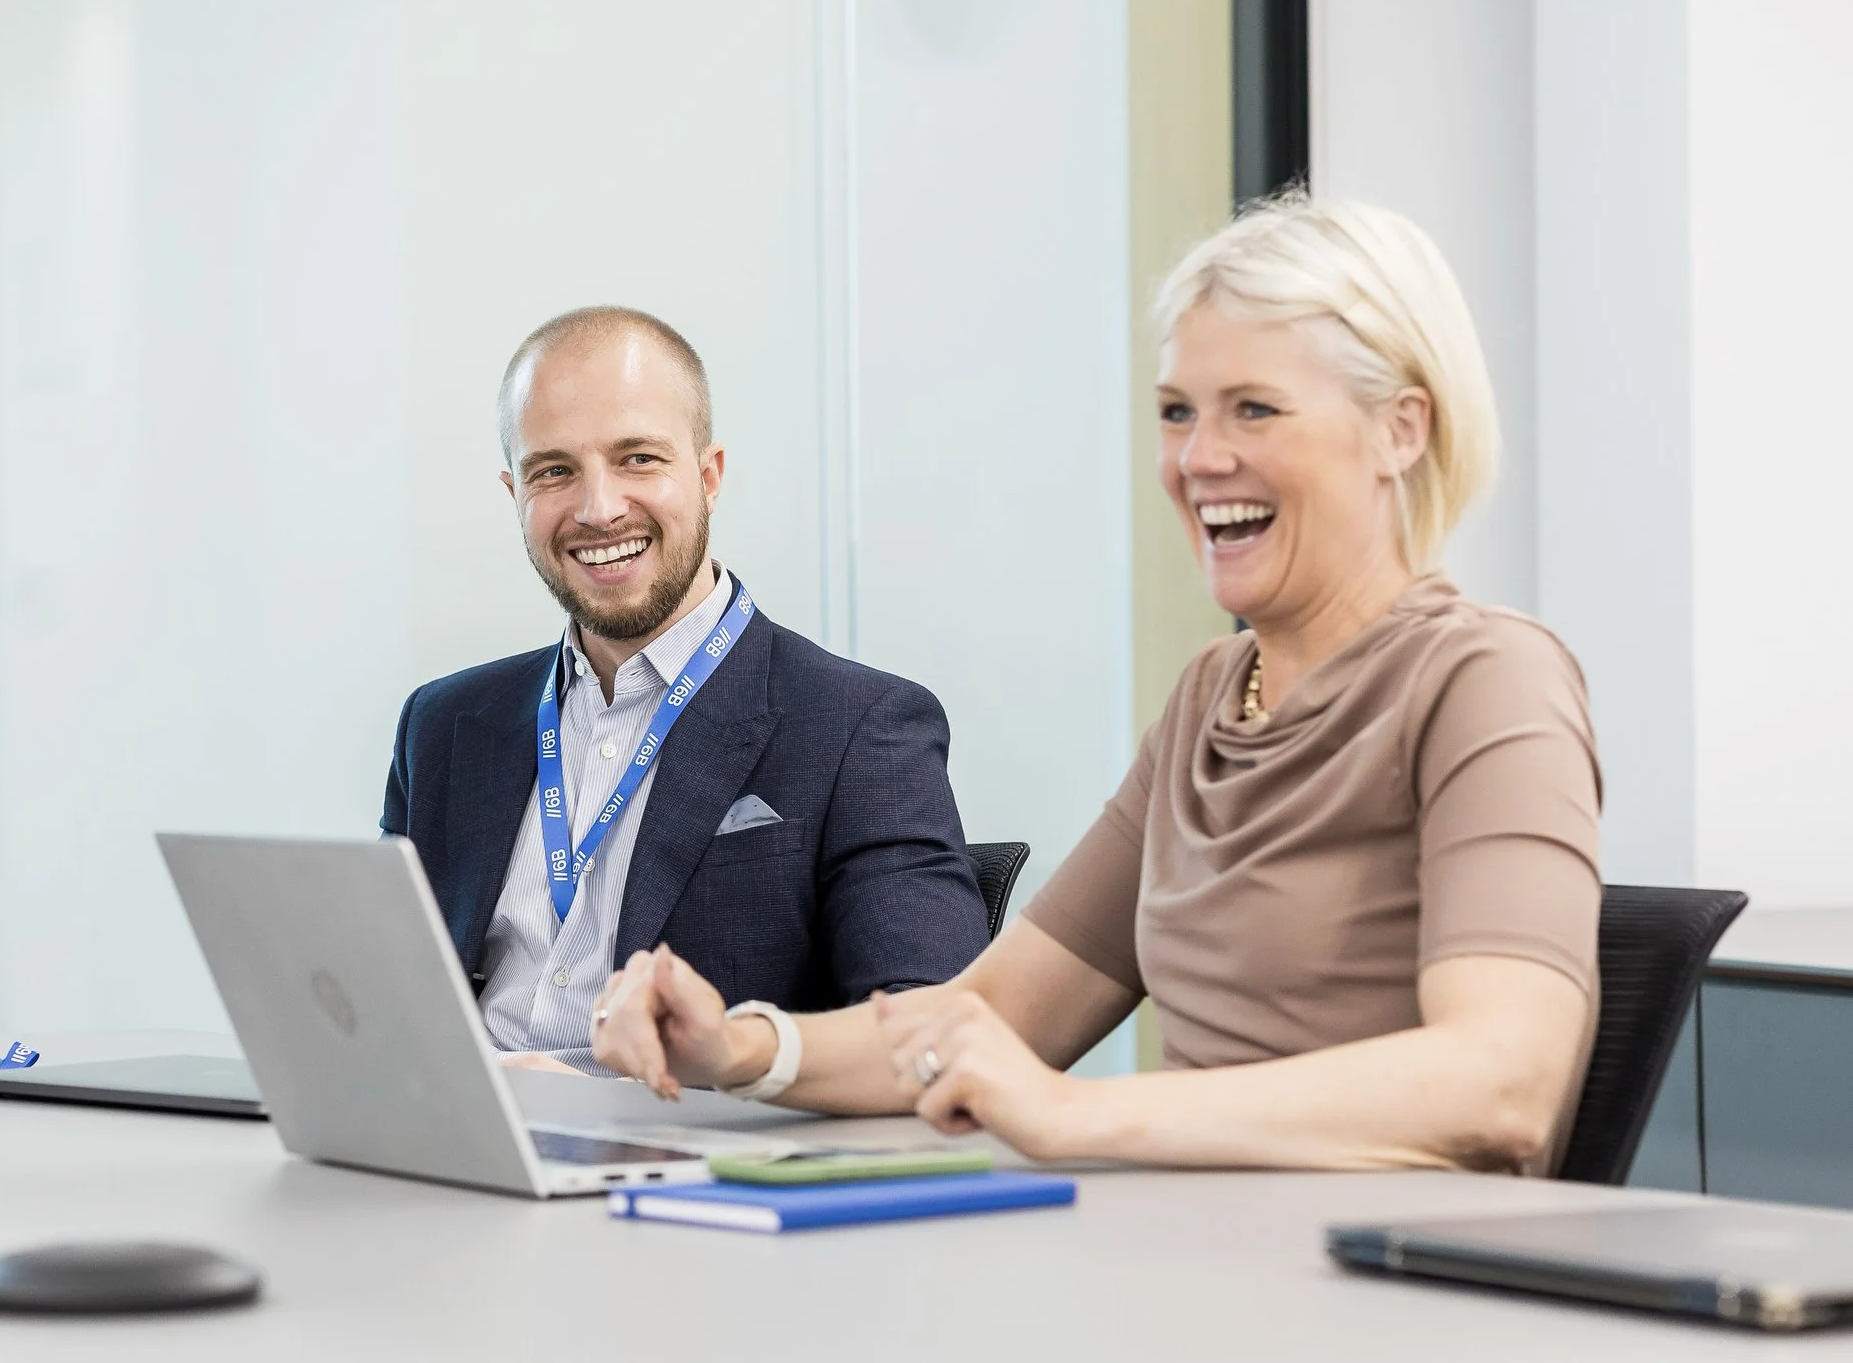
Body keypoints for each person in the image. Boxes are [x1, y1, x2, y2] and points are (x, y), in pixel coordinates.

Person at [596, 194, 1603, 1174]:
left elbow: (1502, 1083)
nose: (1199, 458)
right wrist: (745, 1050)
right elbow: (992, 1013)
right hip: (1200, 1275)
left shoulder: (1487, 680)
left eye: (1254, 408)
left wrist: (1077, 1113)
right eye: (1177, 412)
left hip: (1389, 1299)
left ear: (1402, 430)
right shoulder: (1214, 695)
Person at [383, 305, 990, 1075]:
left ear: (708, 476)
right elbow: (381, 1005)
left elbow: (930, 1032)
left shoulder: (860, 729)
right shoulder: (442, 726)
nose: (599, 509)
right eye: (554, 470)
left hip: (679, 1162)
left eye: (638, 458)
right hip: (454, 1155)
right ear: (514, 494)